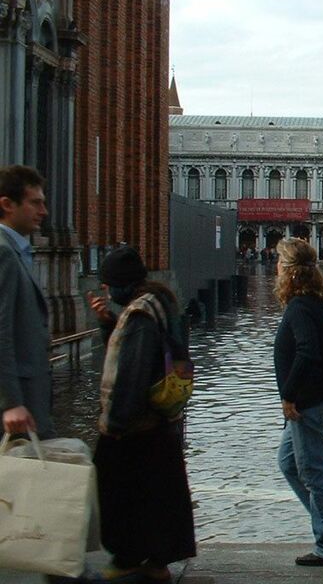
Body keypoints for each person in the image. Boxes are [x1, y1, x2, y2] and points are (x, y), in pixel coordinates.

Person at [87, 245, 196, 581]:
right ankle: (156, 560)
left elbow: (133, 370)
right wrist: (109, 324)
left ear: (121, 284)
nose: (106, 290)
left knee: (119, 493)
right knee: (158, 493)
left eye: (108, 284)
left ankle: (130, 559)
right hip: (161, 422)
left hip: (136, 426)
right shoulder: (159, 303)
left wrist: (116, 424)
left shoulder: (139, 317)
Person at [272, 237, 323, 566]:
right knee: (288, 463)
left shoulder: (300, 307)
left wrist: (289, 395)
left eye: (279, 262)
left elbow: (307, 351)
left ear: (289, 271)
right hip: (317, 398)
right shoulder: (317, 301)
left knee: (313, 472)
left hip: (307, 403)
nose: (275, 267)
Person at [0, 164, 53, 439]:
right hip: (17, 409)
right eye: (35, 203)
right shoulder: (4, 253)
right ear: (7, 204)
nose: (43, 212)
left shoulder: (16, 251)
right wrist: (11, 402)